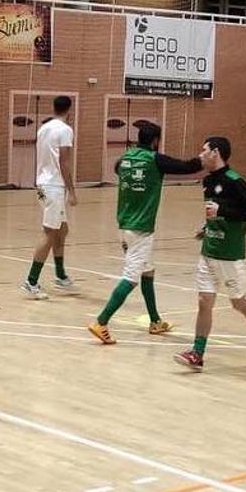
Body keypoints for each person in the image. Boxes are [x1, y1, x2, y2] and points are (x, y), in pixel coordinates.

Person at [88, 123, 202, 344]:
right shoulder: (154, 159)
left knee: (147, 271)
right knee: (131, 277)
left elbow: (117, 168)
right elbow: (186, 167)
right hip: (140, 229)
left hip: (124, 225)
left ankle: (155, 321)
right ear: (155, 141)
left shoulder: (126, 158)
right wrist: (203, 159)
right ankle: (101, 322)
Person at [173, 137, 246, 372]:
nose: (200, 154)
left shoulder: (235, 181)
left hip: (230, 253)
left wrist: (223, 210)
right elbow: (213, 212)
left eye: (204, 150)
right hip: (209, 250)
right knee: (203, 301)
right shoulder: (207, 181)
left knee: (238, 302)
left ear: (215, 152)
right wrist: (206, 227)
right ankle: (197, 353)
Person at [20, 95, 78, 299]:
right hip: (54, 186)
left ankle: (61, 276)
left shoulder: (43, 128)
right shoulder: (65, 130)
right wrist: (71, 190)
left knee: (62, 231)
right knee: (50, 233)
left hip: (43, 184)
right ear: (69, 110)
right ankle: (31, 281)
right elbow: (64, 162)